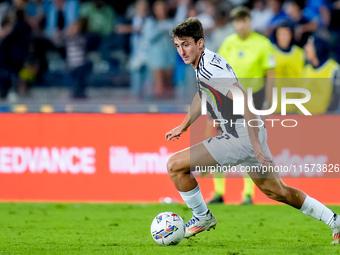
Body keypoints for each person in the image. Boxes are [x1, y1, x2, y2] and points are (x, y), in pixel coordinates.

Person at [166, 17, 340, 243]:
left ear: (200, 43)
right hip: (247, 134)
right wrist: (183, 125)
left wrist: (255, 146)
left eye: (186, 44)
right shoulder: (204, 63)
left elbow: (245, 102)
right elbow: (202, 95)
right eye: (178, 46)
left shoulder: (211, 69)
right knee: (277, 191)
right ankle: (334, 220)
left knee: (175, 166)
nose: (182, 51)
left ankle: (201, 216)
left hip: (241, 136)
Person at [217, 6, 276, 204]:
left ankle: (248, 194)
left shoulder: (263, 44)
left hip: (254, 98)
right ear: (234, 23)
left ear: (250, 22)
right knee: (220, 141)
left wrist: (268, 102)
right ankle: (219, 192)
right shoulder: (228, 43)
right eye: (237, 21)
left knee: (251, 144)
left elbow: (270, 74)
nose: (241, 25)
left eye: (244, 20)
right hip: (229, 98)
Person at [272, 22, 304, 113]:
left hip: (296, 104)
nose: (284, 37)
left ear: (291, 35)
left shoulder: (300, 53)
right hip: (275, 105)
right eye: (280, 34)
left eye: (286, 34)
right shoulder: (270, 51)